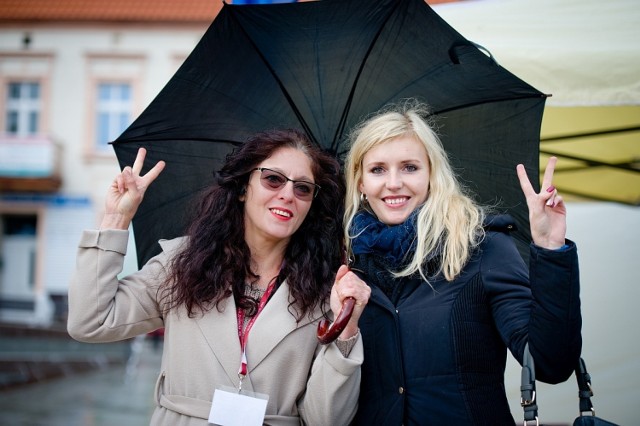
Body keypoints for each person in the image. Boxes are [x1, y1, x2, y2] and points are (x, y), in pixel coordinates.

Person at [67, 129, 371, 426]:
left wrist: (346, 328)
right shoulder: (182, 262)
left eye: (303, 188)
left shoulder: (326, 292)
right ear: (242, 189)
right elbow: (91, 321)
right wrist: (116, 219)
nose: (288, 195)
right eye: (273, 179)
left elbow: (327, 419)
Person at [342, 101, 582, 425]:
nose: (394, 182)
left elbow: (551, 363)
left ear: (431, 173)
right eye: (377, 169)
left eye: (410, 167)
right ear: (360, 183)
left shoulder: (483, 247)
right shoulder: (345, 265)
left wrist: (551, 249)